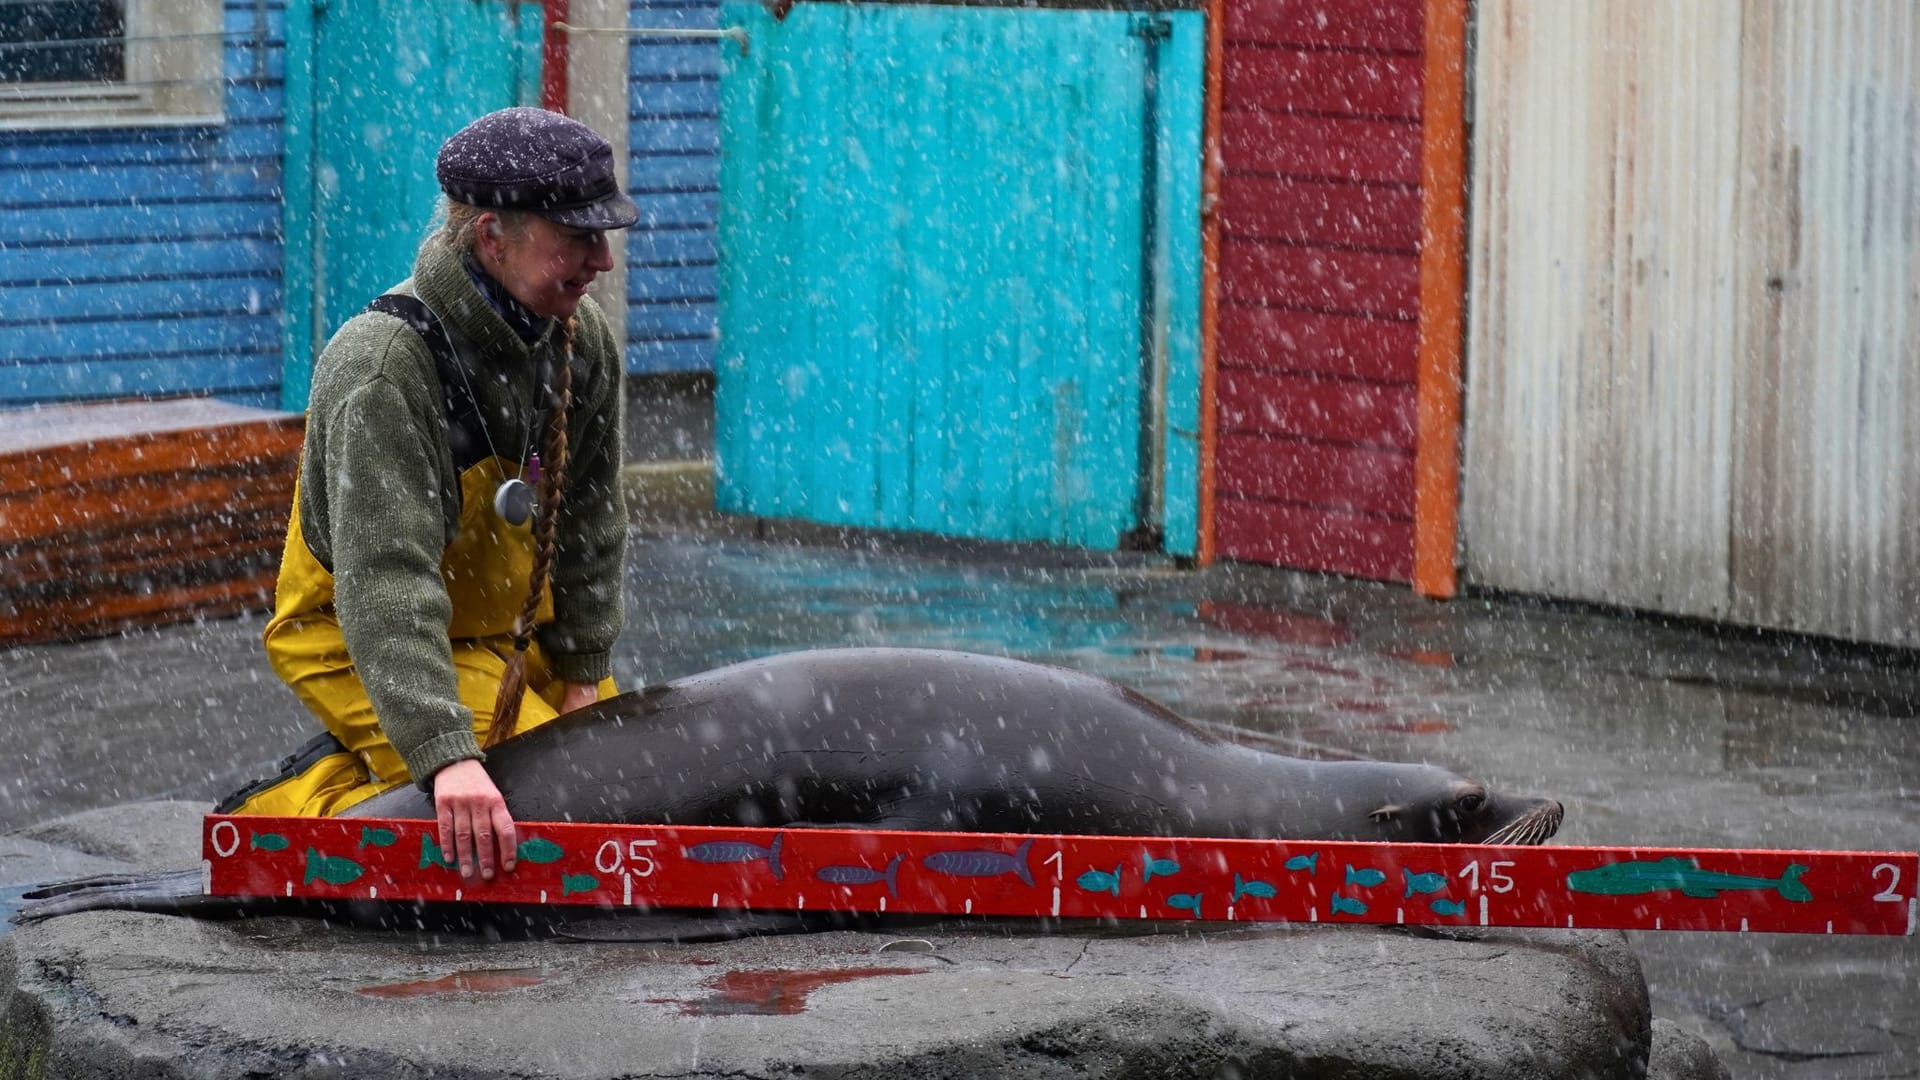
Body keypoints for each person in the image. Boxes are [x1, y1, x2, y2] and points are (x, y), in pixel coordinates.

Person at [220, 108, 636, 885]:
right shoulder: (385, 368)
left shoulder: (582, 342)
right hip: (359, 630)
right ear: (491, 238)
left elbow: (589, 525)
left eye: (604, 236)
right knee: (534, 811)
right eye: (577, 238)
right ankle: (280, 815)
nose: (602, 261)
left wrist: (583, 673)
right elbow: (386, 584)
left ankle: (415, 751)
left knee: (629, 783)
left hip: (507, 635)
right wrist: (447, 758)